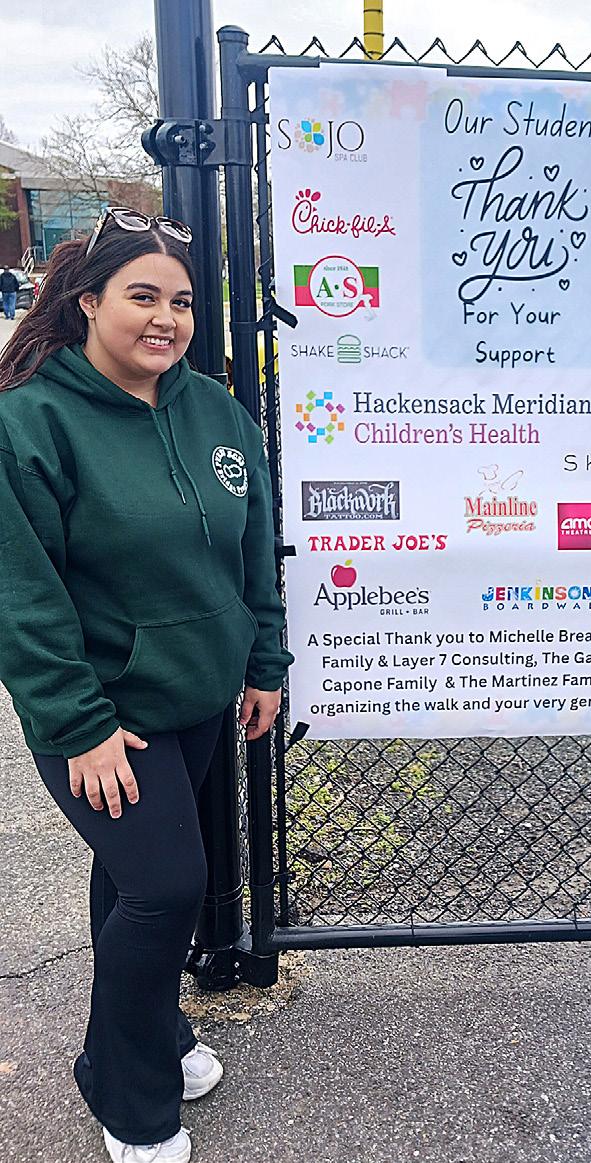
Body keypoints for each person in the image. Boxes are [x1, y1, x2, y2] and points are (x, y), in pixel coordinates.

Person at [0, 207, 293, 1162]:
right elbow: (22, 597)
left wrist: (263, 661)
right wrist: (78, 724)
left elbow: (253, 551)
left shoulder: (215, 411)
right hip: (101, 712)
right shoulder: (30, 421)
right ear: (88, 301)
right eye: (143, 296)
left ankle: (153, 1031)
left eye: (182, 301)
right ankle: (130, 1098)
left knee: (133, 879)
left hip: (199, 694)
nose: (167, 318)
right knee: (169, 886)